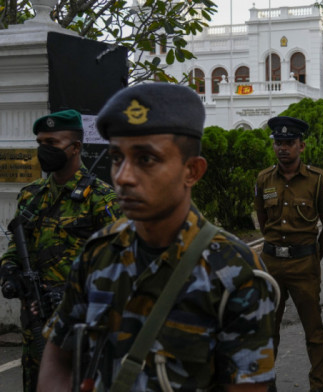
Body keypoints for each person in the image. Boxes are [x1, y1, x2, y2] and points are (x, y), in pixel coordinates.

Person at [38, 83, 276, 391]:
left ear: (192, 171)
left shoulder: (234, 273)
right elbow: (58, 355)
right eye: (116, 158)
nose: (122, 176)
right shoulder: (97, 253)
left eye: (146, 159)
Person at [0, 109, 122, 392]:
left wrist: (72, 292)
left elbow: (118, 264)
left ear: (75, 147)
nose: (44, 149)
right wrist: (10, 273)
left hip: (81, 329)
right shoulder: (31, 196)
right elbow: (15, 250)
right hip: (34, 324)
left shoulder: (101, 199)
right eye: (40, 142)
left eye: (52, 143)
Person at [254, 116, 323, 392]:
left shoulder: (318, 179)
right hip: (272, 264)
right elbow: (264, 222)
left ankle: (317, 386)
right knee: (268, 330)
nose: (283, 148)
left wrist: (313, 256)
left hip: (304, 265)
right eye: (278, 142)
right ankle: (266, 384)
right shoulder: (264, 178)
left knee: (313, 331)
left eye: (289, 143)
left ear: (302, 146)